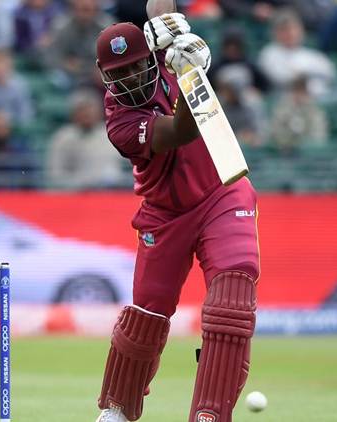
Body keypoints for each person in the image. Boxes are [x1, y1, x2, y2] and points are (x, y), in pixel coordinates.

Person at [93, 18, 259, 422]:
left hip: (222, 190)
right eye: (118, 73)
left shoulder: (166, 52)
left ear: (149, 55)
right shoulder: (121, 123)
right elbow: (183, 130)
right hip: (165, 213)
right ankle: (118, 408)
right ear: (106, 78)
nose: (131, 77)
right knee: (147, 315)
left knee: (231, 299)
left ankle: (209, 414)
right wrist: (194, 74)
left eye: (135, 65)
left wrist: (173, 25)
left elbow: (160, 7)